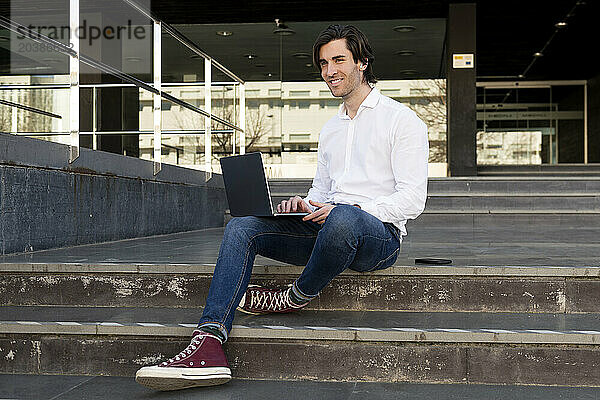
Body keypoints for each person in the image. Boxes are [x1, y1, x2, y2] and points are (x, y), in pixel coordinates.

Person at [135, 24, 429, 391]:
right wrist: (302, 205)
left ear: (363, 62)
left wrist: (344, 208)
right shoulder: (331, 130)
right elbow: (321, 191)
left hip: (377, 239)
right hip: (327, 232)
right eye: (323, 64)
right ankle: (209, 343)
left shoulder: (402, 121)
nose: (330, 71)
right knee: (242, 226)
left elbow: (412, 200)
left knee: (343, 217)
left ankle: (293, 297)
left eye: (339, 60)